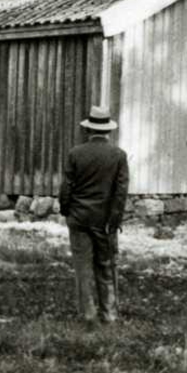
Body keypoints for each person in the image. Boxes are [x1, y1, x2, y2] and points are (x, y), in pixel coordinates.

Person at [59, 105, 129, 323]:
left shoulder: (75, 153)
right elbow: (120, 192)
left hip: (79, 218)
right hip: (105, 220)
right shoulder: (118, 155)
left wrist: (67, 211)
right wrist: (114, 220)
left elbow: (66, 188)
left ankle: (88, 315)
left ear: (88, 130)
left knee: (83, 267)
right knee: (106, 265)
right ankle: (110, 314)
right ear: (108, 130)